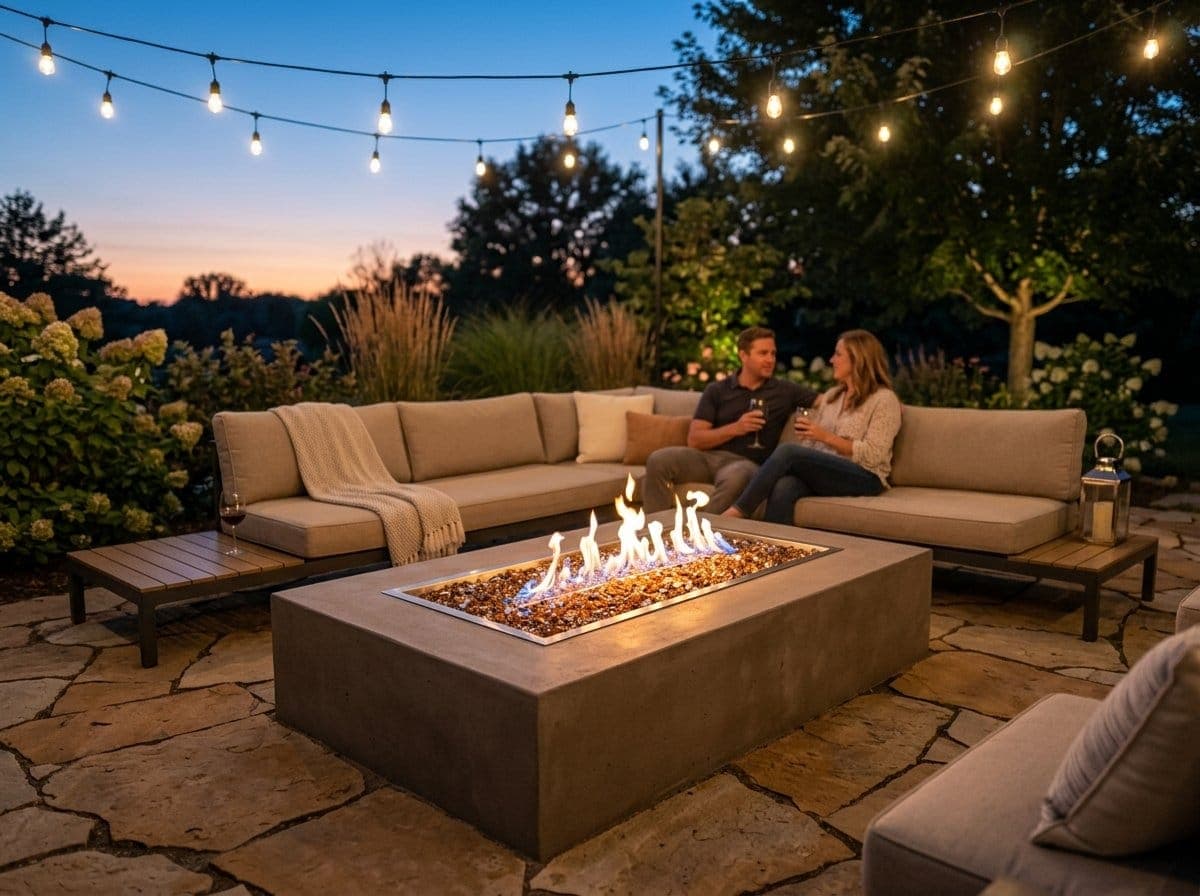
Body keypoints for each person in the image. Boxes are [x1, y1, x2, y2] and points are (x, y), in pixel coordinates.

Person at [723, 329, 901, 524]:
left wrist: (824, 437)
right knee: (785, 485)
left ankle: (739, 511)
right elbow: (817, 449)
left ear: (858, 359)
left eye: (838, 354)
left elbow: (875, 455)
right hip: (828, 471)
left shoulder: (883, 399)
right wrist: (811, 444)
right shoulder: (833, 396)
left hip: (866, 476)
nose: (832, 360)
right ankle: (777, 547)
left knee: (788, 451)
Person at [643, 326, 818, 514]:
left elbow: (825, 400)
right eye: (763, 353)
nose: (770, 360)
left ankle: (702, 533)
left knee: (738, 476)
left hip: (746, 463)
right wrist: (737, 427)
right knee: (658, 459)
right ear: (743, 355)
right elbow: (695, 440)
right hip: (707, 458)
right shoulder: (717, 390)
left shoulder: (785, 391)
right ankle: (653, 528)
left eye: (773, 354)